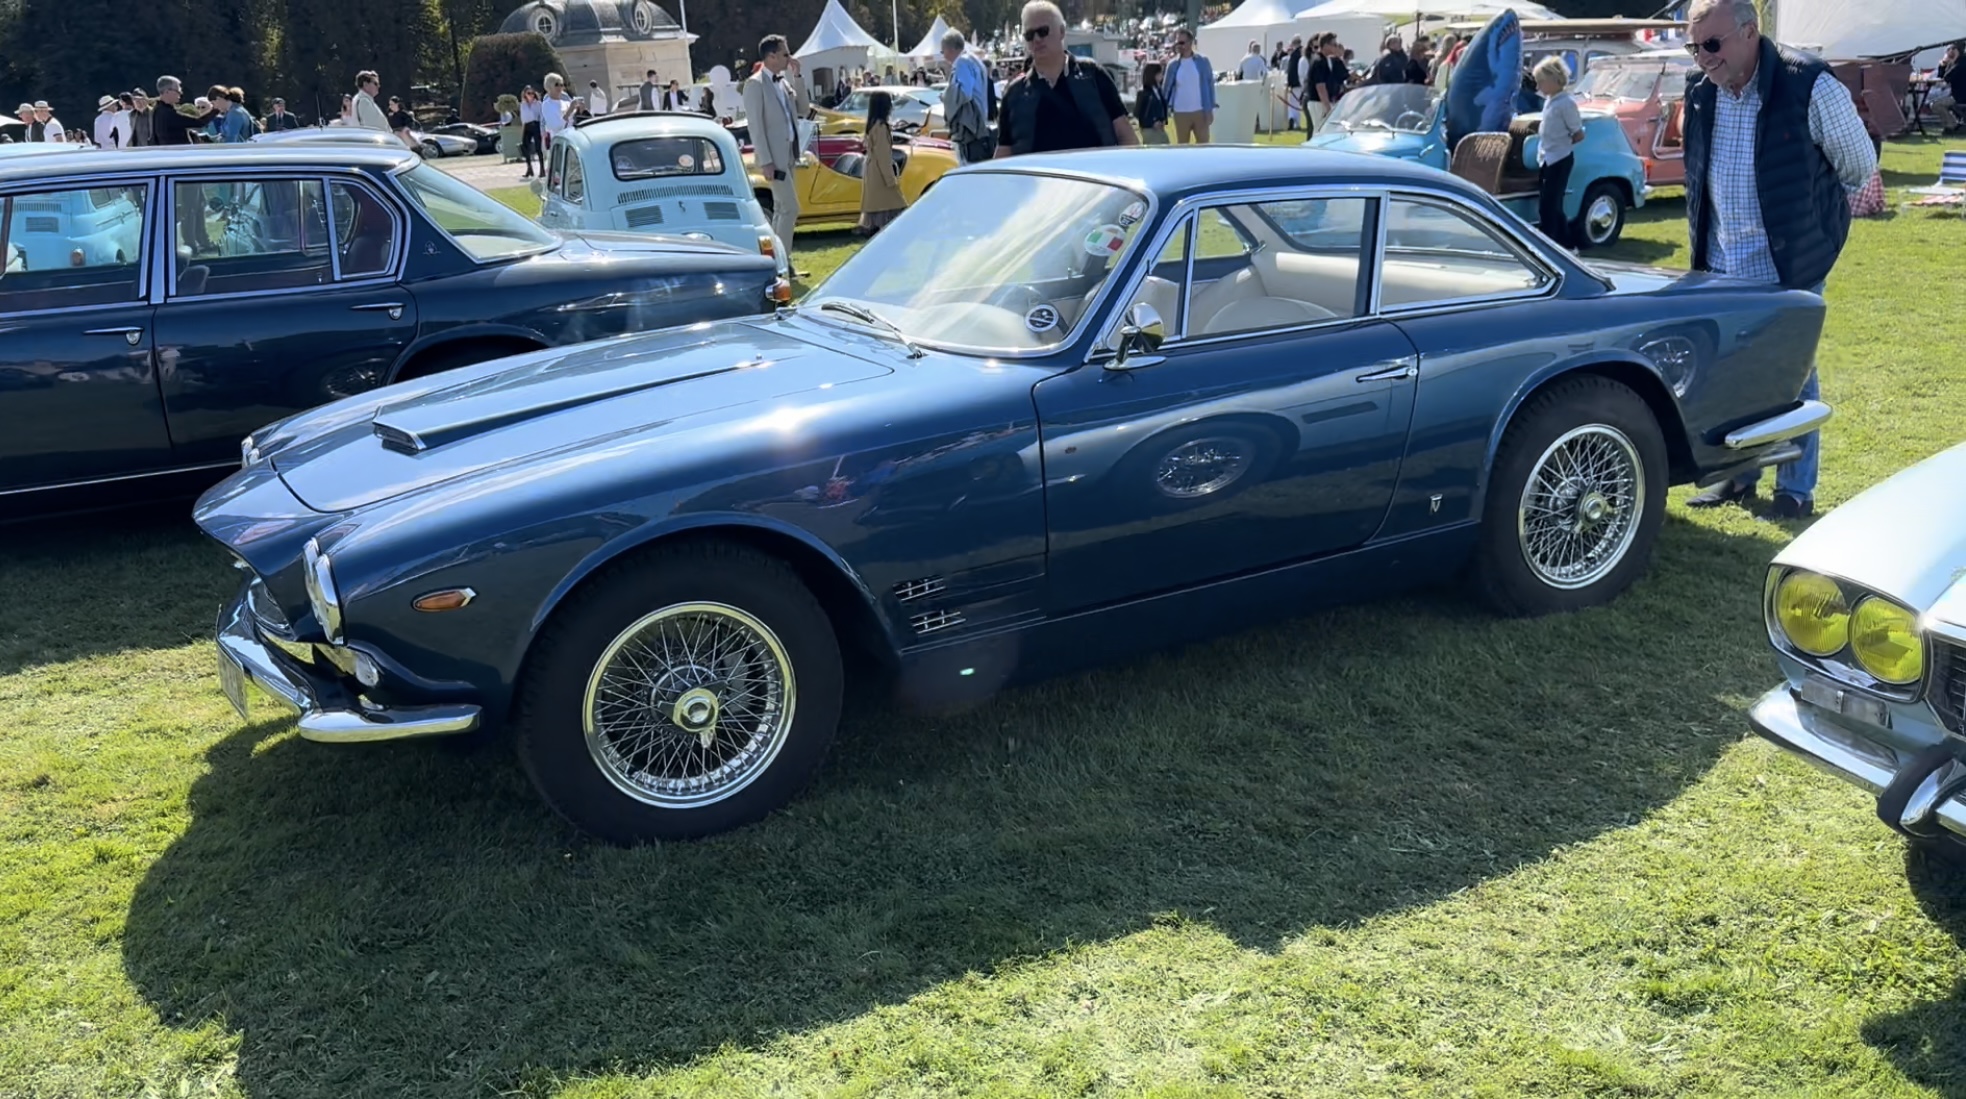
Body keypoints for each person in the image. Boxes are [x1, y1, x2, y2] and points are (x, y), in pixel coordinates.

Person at [1678, 0, 1877, 519]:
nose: (1703, 57)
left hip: (1790, 265)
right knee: (1728, 373)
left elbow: (1859, 166)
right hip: (1721, 263)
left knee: (1793, 373)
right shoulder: (1700, 90)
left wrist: (1813, 227)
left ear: (1750, 32)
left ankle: (1796, 489)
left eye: (1712, 44)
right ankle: (1736, 475)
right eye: (1694, 47)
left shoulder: (1809, 84)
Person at [994, 0, 1137, 157]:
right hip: (1036, 173)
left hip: (1093, 171)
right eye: (1029, 35)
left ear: (1061, 32)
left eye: (1043, 31)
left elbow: (1125, 134)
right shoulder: (1014, 94)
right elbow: (1003, 153)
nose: (1036, 39)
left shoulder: (1093, 75)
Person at [742, 34, 807, 269]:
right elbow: (756, 126)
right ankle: (782, 262)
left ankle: (778, 260)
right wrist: (766, 161)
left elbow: (803, 109)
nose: (790, 58)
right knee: (790, 208)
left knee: (781, 209)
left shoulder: (784, 82)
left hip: (789, 153)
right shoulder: (755, 84)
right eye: (785, 54)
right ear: (771, 56)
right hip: (774, 158)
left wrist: (797, 77)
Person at [1532, 56, 1583, 250]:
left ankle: (1557, 243)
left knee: (1551, 204)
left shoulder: (1566, 103)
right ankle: (1562, 242)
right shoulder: (1550, 101)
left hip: (1560, 158)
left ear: (1554, 80)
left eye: (1541, 82)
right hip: (1547, 157)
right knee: (1547, 204)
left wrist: (1562, 143)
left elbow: (1578, 133)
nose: (1538, 86)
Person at [940, 30, 994, 164]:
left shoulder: (962, 62)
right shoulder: (975, 60)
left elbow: (965, 93)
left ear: (951, 49)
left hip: (970, 128)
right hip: (980, 123)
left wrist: (946, 96)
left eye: (943, 51)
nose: (943, 55)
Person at [856, 92, 906, 236]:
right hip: (880, 174)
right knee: (895, 205)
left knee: (877, 208)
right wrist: (890, 180)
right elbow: (883, 157)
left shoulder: (872, 125)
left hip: (872, 171)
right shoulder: (881, 128)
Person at [1162, 27, 1216, 143]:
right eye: (1177, 43)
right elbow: (1166, 90)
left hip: (1200, 111)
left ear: (1190, 43)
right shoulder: (1172, 65)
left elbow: (1210, 85)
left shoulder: (1203, 61)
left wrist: (1210, 109)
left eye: (1182, 43)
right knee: (1183, 147)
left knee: (1204, 146)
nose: (1179, 46)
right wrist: (1162, 112)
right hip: (1180, 112)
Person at [1307, 34, 1346, 133]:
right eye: (1334, 44)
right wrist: (1327, 107)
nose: (1336, 47)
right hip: (1318, 102)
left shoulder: (1326, 60)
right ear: (1325, 45)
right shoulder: (1319, 61)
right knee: (1321, 130)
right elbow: (1320, 86)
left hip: (1324, 101)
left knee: (1325, 131)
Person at [151, 78, 198, 144]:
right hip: (176, 149)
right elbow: (199, 122)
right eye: (177, 91)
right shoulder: (167, 113)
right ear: (167, 92)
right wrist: (213, 110)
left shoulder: (157, 110)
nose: (181, 93)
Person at [1134, 61, 1170, 144]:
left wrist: (1163, 120)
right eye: (1160, 73)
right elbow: (1138, 113)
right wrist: (1152, 122)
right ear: (1153, 74)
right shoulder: (1143, 92)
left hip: (1160, 129)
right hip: (1149, 129)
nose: (1162, 75)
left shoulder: (1158, 90)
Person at [1933, 44, 1965, 132]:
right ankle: (1953, 124)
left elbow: (1942, 82)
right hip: (1959, 95)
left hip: (1960, 97)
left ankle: (1952, 124)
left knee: (1935, 105)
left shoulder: (1959, 65)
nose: (1949, 52)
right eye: (1948, 49)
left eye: (1952, 49)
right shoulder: (1959, 62)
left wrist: (1943, 64)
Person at [518, 86, 543, 177]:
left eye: (532, 93)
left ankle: (542, 170)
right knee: (525, 147)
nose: (531, 95)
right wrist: (522, 130)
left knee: (538, 148)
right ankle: (529, 168)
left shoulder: (538, 104)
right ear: (525, 94)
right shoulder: (523, 105)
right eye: (529, 93)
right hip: (527, 126)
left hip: (536, 124)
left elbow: (541, 116)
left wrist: (542, 129)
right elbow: (523, 118)